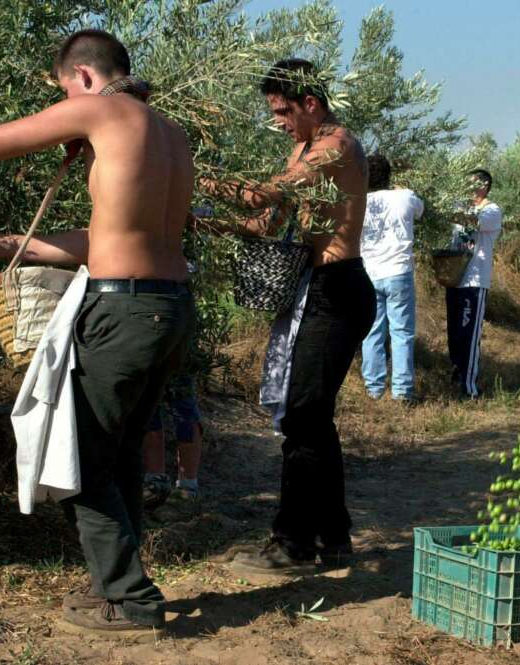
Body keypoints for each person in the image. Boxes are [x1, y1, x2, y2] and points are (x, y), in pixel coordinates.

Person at [0, 29, 196, 639]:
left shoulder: (98, 107)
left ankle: (130, 598)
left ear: (82, 77)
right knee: (118, 456)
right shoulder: (170, 134)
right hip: (169, 307)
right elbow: (113, 240)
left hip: (124, 313)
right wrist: (12, 246)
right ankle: (111, 583)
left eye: (65, 91)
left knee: (78, 458)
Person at [199, 58, 375, 574]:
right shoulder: (302, 148)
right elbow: (264, 219)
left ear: (310, 103)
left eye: (282, 110)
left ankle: (294, 542)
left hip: (340, 289)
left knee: (303, 414)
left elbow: (268, 193)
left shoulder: (335, 146)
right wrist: (204, 222)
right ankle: (333, 535)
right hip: (317, 288)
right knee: (311, 416)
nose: (278, 120)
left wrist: (191, 176)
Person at [359, 154, 424, 402]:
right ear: (389, 175)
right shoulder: (405, 196)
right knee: (402, 332)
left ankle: (374, 388)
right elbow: (421, 210)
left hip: (369, 273)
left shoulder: (360, 201)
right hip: (398, 272)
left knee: (372, 330)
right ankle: (402, 391)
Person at [445, 169, 502, 398]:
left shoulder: (492, 210)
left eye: (471, 184)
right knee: (455, 334)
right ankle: (457, 377)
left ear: (484, 186)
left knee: (469, 335)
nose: (467, 188)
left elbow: (472, 220)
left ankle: (469, 389)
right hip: (455, 280)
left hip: (475, 281)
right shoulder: (459, 205)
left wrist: (446, 208)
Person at [142, 373, 204, 510]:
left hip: (173, 360)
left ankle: (188, 490)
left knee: (184, 413)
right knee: (147, 413)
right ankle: (156, 484)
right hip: (139, 358)